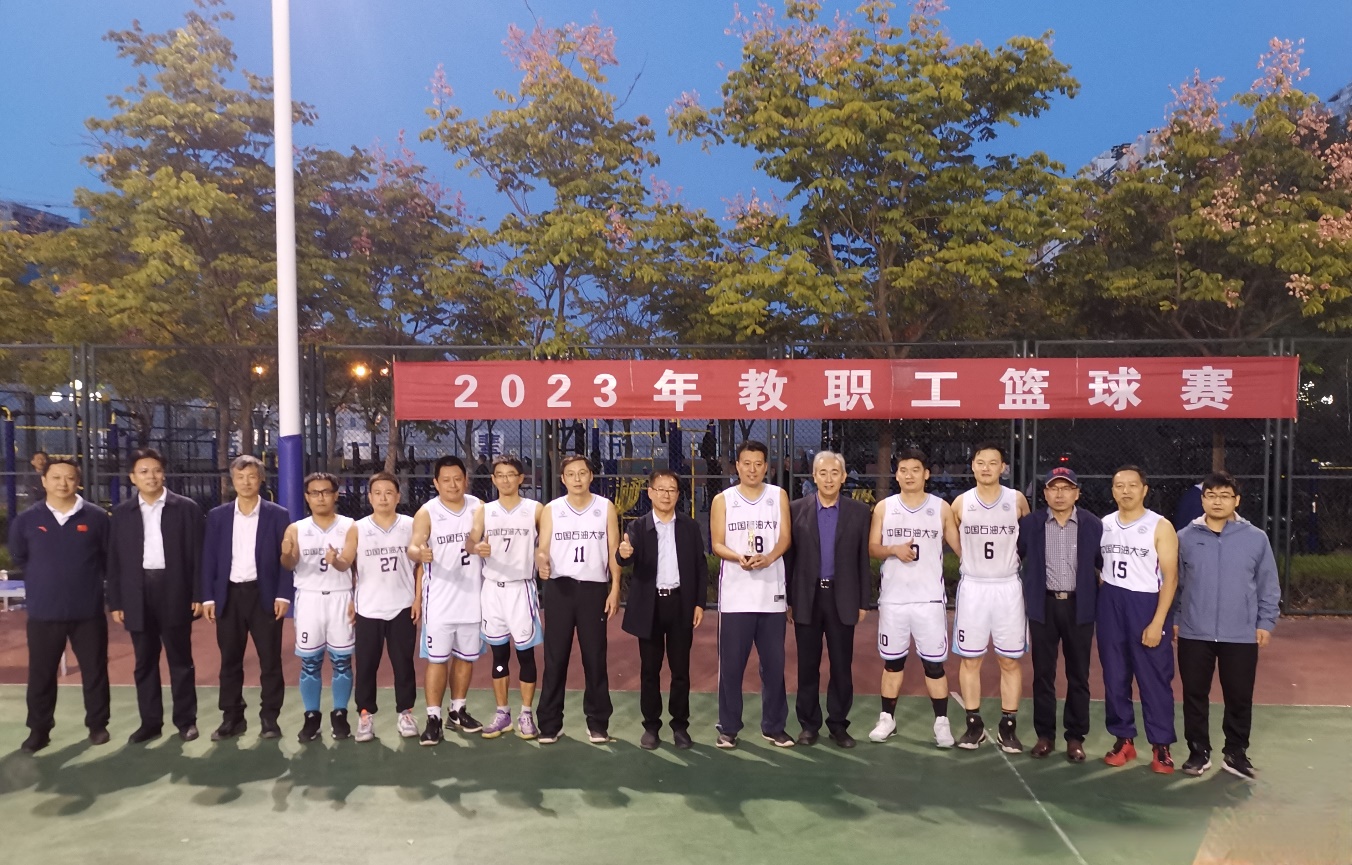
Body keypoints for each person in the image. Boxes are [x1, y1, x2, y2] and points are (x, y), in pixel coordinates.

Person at [1175, 472, 1281, 780]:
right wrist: (1177, 620)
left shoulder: (1256, 538)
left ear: (1237, 500)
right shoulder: (1184, 537)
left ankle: (1235, 753)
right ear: (1202, 500)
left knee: (1239, 697)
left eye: (1224, 495)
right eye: (1211, 495)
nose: (1217, 501)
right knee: (1194, 695)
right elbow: (1175, 585)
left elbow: (1268, 585)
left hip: (1241, 634)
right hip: (1194, 631)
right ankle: (1198, 752)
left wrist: (1265, 622)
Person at [9, 458, 111, 753]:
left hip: (88, 612)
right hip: (44, 613)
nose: (62, 483)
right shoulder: (27, 520)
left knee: (95, 671)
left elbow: (108, 559)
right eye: (56, 477)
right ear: (44, 481)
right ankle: (39, 731)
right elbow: (19, 556)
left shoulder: (97, 517)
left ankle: (97, 725)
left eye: (69, 477)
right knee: (41, 675)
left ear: (78, 482)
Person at [107, 448, 206, 744]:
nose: (151, 476)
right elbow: (114, 560)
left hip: (175, 591)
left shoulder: (186, 508)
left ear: (164, 474)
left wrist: (198, 594)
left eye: (156, 470)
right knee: (144, 662)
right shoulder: (122, 513)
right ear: (132, 477)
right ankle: (150, 723)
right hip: (137, 594)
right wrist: (117, 601)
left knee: (180, 660)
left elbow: (198, 556)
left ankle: (186, 721)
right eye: (144, 471)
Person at [867, 448, 961, 748]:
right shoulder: (884, 507)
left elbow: (961, 549)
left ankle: (941, 723)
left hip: (928, 600)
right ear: (896, 475)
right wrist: (893, 550)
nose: (909, 475)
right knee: (893, 663)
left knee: (934, 665)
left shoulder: (941, 508)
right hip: (893, 599)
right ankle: (887, 718)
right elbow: (872, 547)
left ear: (926, 474)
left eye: (915, 470)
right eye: (904, 470)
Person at [201, 455, 292, 741]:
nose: (246, 482)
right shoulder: (218, 516)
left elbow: (286, 558)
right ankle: (232, 718)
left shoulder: (278, 514)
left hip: (264, 596)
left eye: (252, 476)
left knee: (270, 661)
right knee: (230, 660)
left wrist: (283, 594)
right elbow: (209, 559)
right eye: (240, 477)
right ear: (232, 481)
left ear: (261, 479)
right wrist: (208, 598)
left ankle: (270, 719)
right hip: (228, 596)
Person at [710, 440, 794, 749]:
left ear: (766, 466)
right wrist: (738, 557)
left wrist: (769, 557)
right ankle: (728, 727)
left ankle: (774, 726)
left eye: (758, 464)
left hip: (771, 595)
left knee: (773, 666)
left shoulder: (778, 495)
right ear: (737, 465)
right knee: (731, 668)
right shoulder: (723, 500)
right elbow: (716, 543)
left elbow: (785, 537)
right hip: (735, 598)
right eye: (747, 463)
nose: (753, 469)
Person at [616, 469, 708, 750]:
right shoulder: (638, 527)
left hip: (680, 604)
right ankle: (651, 726)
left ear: (678, 495)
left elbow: (700, 566)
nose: (666, 495)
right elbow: (624, 557)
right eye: (661, 489)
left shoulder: (689, 526)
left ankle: (680, 726)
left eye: (672, 490)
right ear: (650, 493)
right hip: (650, 606)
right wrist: (623, 553)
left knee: (680, 670)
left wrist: (699, 603)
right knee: (650, 670)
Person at [1017, 467, 1103, 763]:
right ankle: (1045, 735)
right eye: (1054, 488)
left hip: (1079, 607)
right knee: (1043, 674)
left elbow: (1101, 562)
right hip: (1044, 606)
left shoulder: (1092, 525)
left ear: (1077, 493)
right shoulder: (1031, 524)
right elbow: (1018, 554)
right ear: (1045, 493)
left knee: (1078, 674)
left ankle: (1075, 737)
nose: (1059, 494)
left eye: (1066, 488)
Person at [1098, 465, 1180, 773]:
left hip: (1145, 603)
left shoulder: (1160, 525)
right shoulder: (1104, 524)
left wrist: (1158, 621)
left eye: (1132, 485)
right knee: (1114, 675)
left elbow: (1171, 577)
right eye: (1119, 485)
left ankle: (1161, 746)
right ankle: (1124, 740)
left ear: (1144, 490)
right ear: (1113, 490)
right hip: (1111, 602)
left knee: (1154, 677)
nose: (1126, 491)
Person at [535, 456, 621, 744]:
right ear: (563, 479)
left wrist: (615, 587)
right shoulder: (552, 509)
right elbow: (542, 548)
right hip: (560, 589)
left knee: (594, 657)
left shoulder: (605, 507)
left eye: (582, 473)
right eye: (570, 474)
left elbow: (613, 549)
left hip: (593, 590)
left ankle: (597, 723)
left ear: (591, 476)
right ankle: (550, 724)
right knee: (555, 657)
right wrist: (542, 561)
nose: (577, 479)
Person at [950, 442, 1031, 752]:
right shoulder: (961, 503)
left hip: (1007, 586)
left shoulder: (1016, 500)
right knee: (970, 659)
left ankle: (1007, 728)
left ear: (1003, 467)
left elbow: (1028, 538)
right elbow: (952, 536)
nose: (986, 468)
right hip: (974, 587)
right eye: (980, 462)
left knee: (1009, 660)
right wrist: (965, 558)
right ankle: (974, 726)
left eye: (993, 462)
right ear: (972, 466)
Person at [786, 451, 870, 748]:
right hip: (806, 598)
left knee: (841, 666)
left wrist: (863, 601)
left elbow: (863, 560)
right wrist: (789, 599)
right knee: (807, 665)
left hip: (842, 597)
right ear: (814, 476)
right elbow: (790, 559)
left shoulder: (859, 512)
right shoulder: (796, 510)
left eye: (835, 473)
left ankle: (838, 724)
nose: (829, 478)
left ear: (844, 477)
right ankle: (809, 725)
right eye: (823, 473)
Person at [407, 456, 484, 744]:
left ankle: (457, 710)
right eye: (446, 480)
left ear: (466, 480)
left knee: (466, 658)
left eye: (457, 479)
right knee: (437, 660)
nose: (453, 485)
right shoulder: (427, 512)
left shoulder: (479, 507)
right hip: (439, 600)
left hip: (472, 598)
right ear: (436, 483)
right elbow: (413, 545)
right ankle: (433, 717)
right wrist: (419, 553)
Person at [340, 472, 420, 743]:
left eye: (389, 492)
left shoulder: (410, 525)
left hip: (402, 606)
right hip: (368, 609)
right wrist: (336, 563)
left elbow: (420, 566)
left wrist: (418, 599)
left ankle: (405, 713)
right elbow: (347, 564)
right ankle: (365, 716)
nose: (383, 498)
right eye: (377, 493)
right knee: (365, 666)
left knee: (404, 665)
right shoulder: (358, 528)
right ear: (370, 497)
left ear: (398, 496)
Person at [469, 456, 544, 740]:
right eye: (499, 475)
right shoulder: (485, 510)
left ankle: (526, 713)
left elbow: (546, 542)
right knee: (499, 656)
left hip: (521, 589)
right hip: (492, 590)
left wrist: (542, 558)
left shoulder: (535, 509)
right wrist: (477, 546)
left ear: (521, 478)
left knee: (525, 654)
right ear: (493, 479)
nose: (505, 479)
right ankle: (502, 712)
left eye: (511, 474)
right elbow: (470, 540)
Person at [280, 472, 356, 743]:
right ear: (307, 497)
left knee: (341, 660)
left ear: (336, 495)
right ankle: (312, 716)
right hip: (309, 598)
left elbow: (351, 565)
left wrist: (337, 562)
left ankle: (340, 714)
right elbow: (288, 564)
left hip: (341, 596)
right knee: (310, 662)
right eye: (315, 493)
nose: (321, 497)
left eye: (326, 492)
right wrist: (287, 553)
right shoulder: (296, 529)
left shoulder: (349, 526)